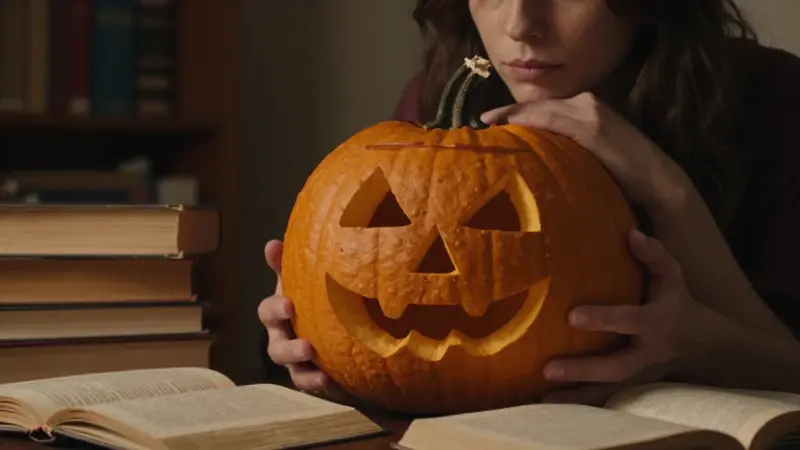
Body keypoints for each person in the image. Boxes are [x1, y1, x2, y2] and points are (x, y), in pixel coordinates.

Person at [259, 0, 800, 406]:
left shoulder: (776, 98)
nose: (521, 25)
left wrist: (665, 190)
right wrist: (322, 338)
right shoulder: (445, 96)